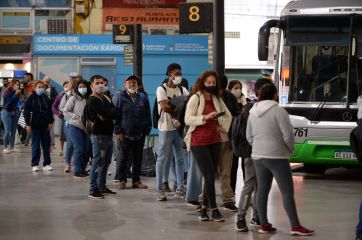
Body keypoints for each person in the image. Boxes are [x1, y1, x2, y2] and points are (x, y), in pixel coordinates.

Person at [246, 83, 314, 236]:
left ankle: (263, 224)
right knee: (287, 191)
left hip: (258, 155)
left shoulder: (252, 111)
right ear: (275, 95)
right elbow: (288, 134)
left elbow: (248, 136)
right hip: (277, 156)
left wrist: (259, 146)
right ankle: (295, 226)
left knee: (262, 190)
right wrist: (290, 150)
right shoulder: (278, 111)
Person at [184, 70, 232, 222]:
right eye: (208, 82)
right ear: (202, 82)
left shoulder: (217, 99)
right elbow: (187, 119)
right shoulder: (195, 98)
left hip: (215, 139)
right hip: (198, 140)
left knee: (210, 176)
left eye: (213, 83)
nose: (211, 85)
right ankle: (214, 209)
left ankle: (204, 209)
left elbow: (228, 115)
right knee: (210, 175)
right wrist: (204, 117)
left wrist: (223, 126)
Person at [235, 77, 272, 232]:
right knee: (253, 185)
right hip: (255, 153)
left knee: (255, 186)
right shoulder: (255, 109)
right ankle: (243, 217)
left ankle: (255, 217)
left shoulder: (250, 108)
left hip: (252, 153)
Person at [155, 63, 189, 201]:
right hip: (166, 128)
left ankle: (180, 187)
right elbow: (165, 107)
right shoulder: (161, 89)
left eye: (180, 74)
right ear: (169, 75)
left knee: (180, 159)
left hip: (179, 129)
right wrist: (179, 106)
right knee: (162, 158)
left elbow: (189, 104)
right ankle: (159, 188)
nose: (178, 76)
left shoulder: (183, 90)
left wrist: (173, 105)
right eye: (176, 74)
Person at [113, 75, 152, 189]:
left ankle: (136, 181)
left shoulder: (143, 97)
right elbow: (116, 116)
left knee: (138, 158)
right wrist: (118, 131)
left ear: (137, 85)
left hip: (140, 134)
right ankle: (122, 180)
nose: (131, 84)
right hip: (124, 134)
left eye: (134, 82)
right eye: (129, 83)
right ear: (125, 85)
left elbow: (147, 114)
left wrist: (147, 128)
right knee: (123, 158)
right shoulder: (120, 97)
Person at [86, 75, 118, 199]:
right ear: (92, 85)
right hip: (98, 134)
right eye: (97, 83)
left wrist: (107, 114)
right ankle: (93, 189)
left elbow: (115, 112)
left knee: (106, 162)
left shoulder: (106, 98)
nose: (100, 85)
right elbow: (105, 113)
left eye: (102, 83)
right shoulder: (92, 100)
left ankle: (102, 186)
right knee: (98, 162)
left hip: (108, 134)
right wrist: (106, 114)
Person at [24, 80, 54, 172]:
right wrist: (28, 124)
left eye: (42, 87)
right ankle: (35, 164)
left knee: (46, 145)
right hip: (34, 125)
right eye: (39, 87)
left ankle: (47, 164)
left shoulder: (46, 98)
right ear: (34, 88)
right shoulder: (31, 98)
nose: (41, 89)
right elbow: (26, 112)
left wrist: (50, 123)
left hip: (45, 125)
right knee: (35, 145)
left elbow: (50, 111)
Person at [63, 80, 91, 178]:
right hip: (74, 126)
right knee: (78, 147)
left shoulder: (90, 99)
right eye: (80, 86)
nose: (82, 88)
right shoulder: (73, 98)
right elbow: (65, 111)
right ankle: (77, 171)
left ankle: (83, 169)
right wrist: (76, 117)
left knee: (86, 149)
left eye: (84, 86)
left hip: (87, 128)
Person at [1, 79, 21, 153]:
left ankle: (12, 147)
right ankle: (5, 147)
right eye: (16, 84)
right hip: (6, 113)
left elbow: (16, 102)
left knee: (13, 131)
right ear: (12, 84)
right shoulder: (7, 92)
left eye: (18, 85)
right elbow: (8, 104)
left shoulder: (16, 92)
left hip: (14, 112)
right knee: (7, 131)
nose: (17, 86)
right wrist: (16, 95)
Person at [52, 81, 69, 158]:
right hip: (62, 118)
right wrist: (58, 114)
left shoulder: (73, 95)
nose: (67, 87)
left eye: (68, 85)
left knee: (70, 135)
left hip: (70, 118)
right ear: (63, 87)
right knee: (61, 134)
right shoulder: (59, 96)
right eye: (65, 86)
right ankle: (61, 150)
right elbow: (54, 106)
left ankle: (68, 152)